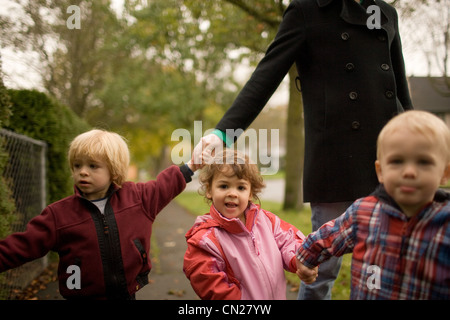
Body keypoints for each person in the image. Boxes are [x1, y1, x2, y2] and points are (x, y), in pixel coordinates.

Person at [192, 0, 413, 299]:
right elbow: (267, 73)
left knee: (384, 268)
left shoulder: (387, 13)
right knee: (321, 268)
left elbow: (399, 88)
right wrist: (224, 132)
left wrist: (420, 144)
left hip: (390, 157)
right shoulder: (307, 11)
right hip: (335, 157)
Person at [0, 129, 199, 299]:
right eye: (77, 165)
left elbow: (166, 185)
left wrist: (193, 165)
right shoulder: (58, 215)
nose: (83, 172)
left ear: (113, 170)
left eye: (93, 166)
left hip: (127, 293)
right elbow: (22, 246)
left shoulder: (138, 199)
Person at [296, 110, 450, 299]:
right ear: (380, 171)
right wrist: (306, 257)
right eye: (397, 161)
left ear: (445, 173)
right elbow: (329, 236)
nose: (409, 172)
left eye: (424, 162)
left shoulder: (446, 225)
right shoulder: (364, 212)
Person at [183, 149, 310, 299]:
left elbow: (289, 242)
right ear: (209, 190)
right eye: (224, 186)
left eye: (241, 187)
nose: (232, 193)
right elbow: (211, 285)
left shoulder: (266, 221)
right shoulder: (205, 241)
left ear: (250, 193)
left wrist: (301, 260)